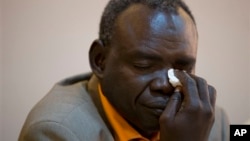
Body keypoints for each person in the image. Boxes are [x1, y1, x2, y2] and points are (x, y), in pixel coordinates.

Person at [19, 0, 230, 141]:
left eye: (182, 68)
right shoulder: (55, 131)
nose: (166, 84)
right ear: (100, 60)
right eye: (144, 65)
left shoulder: (210, 120)